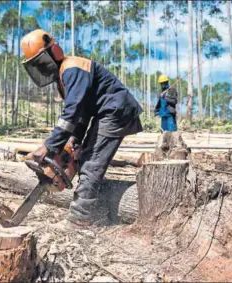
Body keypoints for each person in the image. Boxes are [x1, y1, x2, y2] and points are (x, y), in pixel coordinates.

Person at [21, 29, 143, 229]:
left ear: (55, 50)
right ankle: (89, 208)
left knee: (91, 163)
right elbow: (81, 115)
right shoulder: (64, 76)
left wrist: (49, 145)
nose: (42, 68)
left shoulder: (72, 68)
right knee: (84, 157)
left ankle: (80, 218)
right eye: (37, 65)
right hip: (106, 111)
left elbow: (73, 111)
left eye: (42, 62)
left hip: (115, 109)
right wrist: (72, 143)